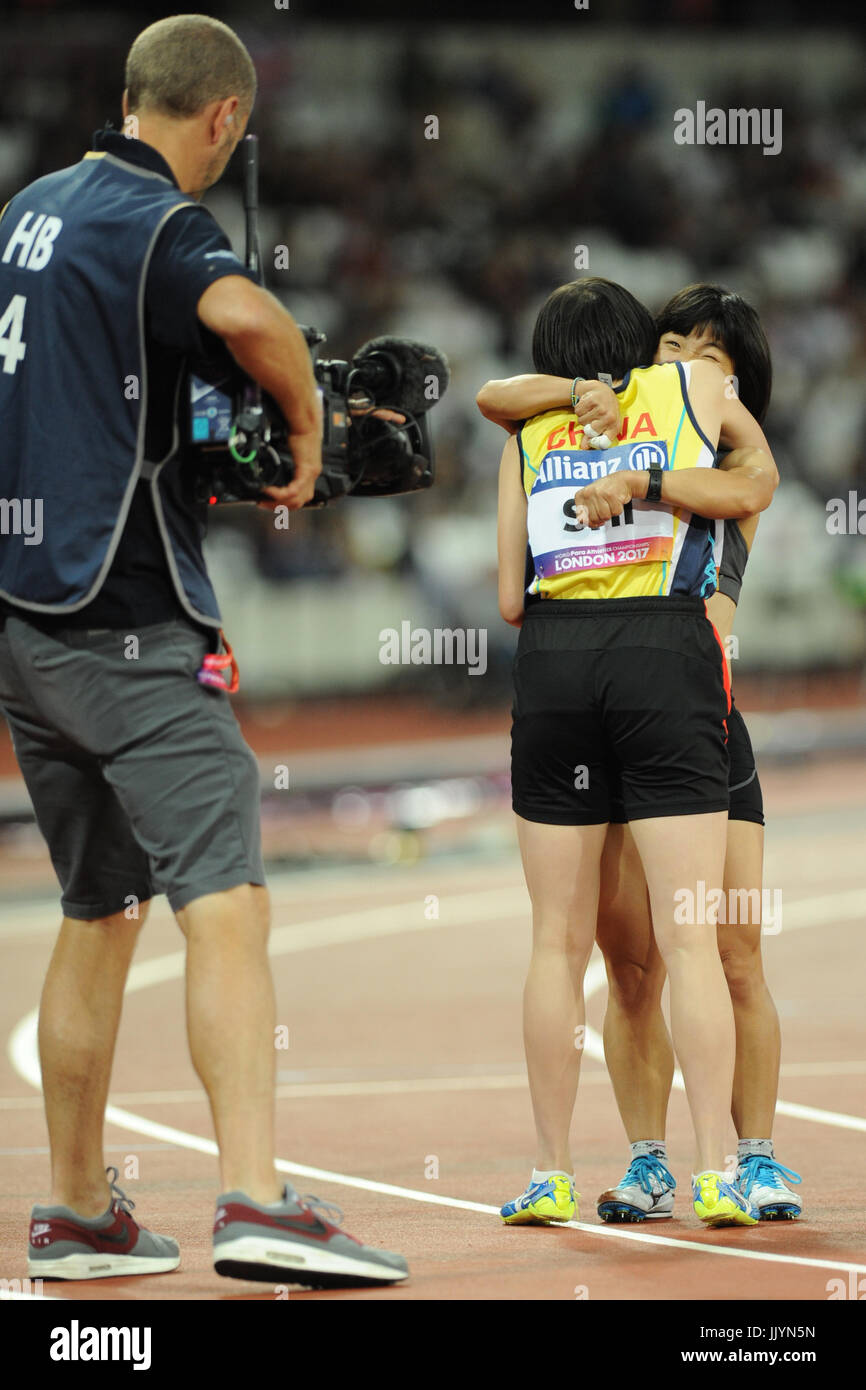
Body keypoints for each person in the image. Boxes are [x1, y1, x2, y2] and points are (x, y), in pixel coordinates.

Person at [0, 14, 407, 1289]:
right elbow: (245, 310)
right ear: (223, 118)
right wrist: (300, 422)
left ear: (128, 95)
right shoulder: (163, 224)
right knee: (224, 901)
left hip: (29, 617)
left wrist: (189, 453)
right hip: (125, 622)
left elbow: (96, 392)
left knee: (97, 908)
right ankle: (256, 1196)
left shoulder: (31, 209)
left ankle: (74, 1211)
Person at [478, 284, 802, 1223]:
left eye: (712, 356)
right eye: (676, 344)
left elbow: (755, 484)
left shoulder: (721, 470)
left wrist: (642, 479)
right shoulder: (617, 410)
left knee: (732, 951)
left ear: (734, 382)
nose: (692, 361)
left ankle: (754, 1159)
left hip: (702, 718)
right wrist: (592, 403)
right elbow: (505, 397)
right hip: (653, 703)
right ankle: (660, 1161)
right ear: (641, 352)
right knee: (632, 966)